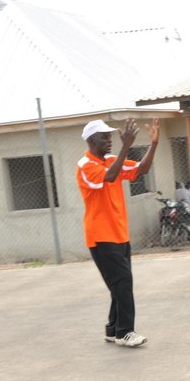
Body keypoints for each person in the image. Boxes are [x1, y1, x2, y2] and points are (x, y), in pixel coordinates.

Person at [77, 118, 159, 348]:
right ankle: (125, 332)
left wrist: (153, 144)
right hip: (101, 236)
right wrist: (125, 147)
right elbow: (109, 176)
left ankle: (113, 329)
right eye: (105, 137)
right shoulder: (85, 165)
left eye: (111, 136)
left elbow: (141, 169)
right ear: (92, 140)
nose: (110, 140)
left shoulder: (112, 160)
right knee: (122, 283)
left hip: (119, 233)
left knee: (118, 284)